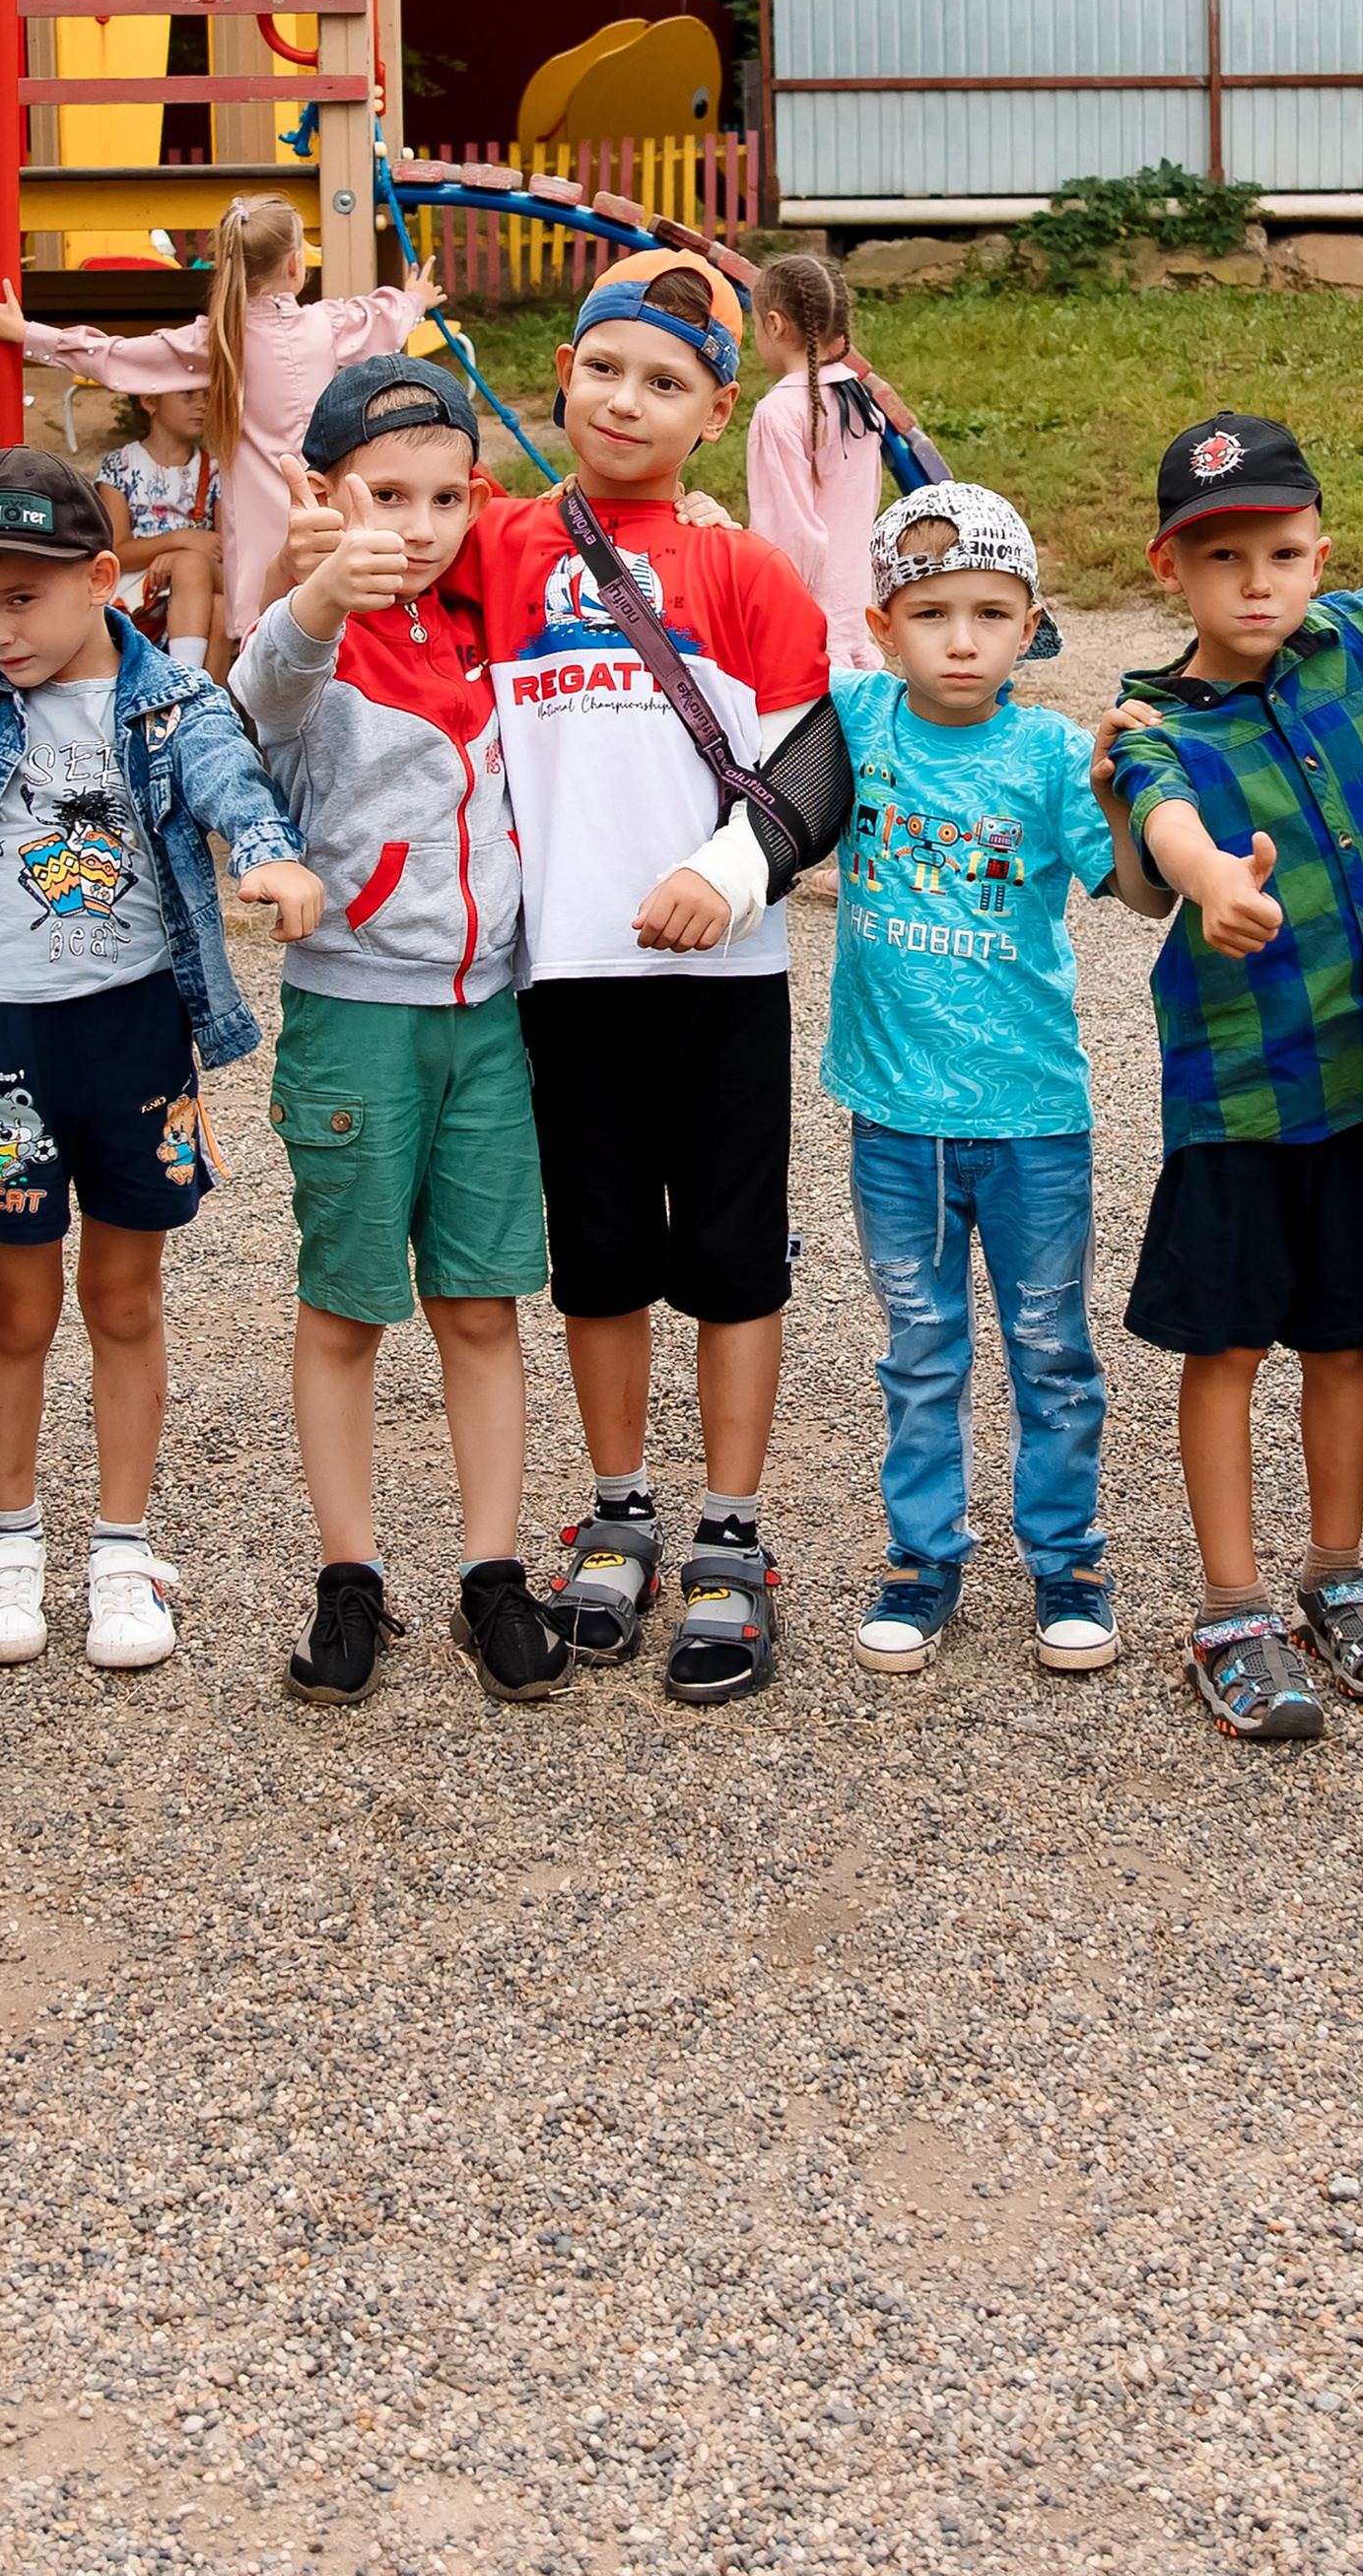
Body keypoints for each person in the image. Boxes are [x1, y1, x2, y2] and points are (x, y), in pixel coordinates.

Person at [465, 263, 843, 1704]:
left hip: (722, 969)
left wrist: (732, 871)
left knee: (738, 1258)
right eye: (607, 370)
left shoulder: (742, 568)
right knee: (603, 1254)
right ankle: (618, 1510)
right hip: (561, 972)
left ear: (715, 410)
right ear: (561, 370)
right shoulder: (492, 547)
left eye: (667, 382)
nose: (629, 402)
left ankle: (732, 1538)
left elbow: (818, 764)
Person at [0, 449, 320, 1670]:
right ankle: (9, 1538)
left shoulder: (167, 700)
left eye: (20, 601)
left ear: (102, 579)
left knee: (125, 1298)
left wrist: (266, 851)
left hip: (133, 1031)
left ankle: (122, 1548)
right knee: (18, 1301)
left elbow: (228, 777)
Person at [232, 357, 571, 1710]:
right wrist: (316, 581)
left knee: (481, 1304)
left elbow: (580, 532)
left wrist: (702, 521)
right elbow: (263, 688)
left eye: (445, 497)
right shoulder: (313, 637)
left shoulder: (487, 613)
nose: (418, 526)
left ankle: (492, 1569)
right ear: (321, 494)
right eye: (385, 495)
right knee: (347, 1305)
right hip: (355, 1014)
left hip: (488, 1012)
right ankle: (350, 1574)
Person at [1104, 412, 1363, 1743]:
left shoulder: (1346, 647)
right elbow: (1167, 826)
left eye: (1282, 552)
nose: (1257, 582)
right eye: (1223, 555)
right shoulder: (1150, 720)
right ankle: (1232, 1605)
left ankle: (1336, 1574)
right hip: (1241, 1092)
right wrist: (1210, 884)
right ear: (1167, 569)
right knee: (1230, 1340)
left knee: (1345, 1335)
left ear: (1319, 555)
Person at [825, 484, 1133, 1680]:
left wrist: (1131, 793)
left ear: (1031, 623)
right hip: (894, 1120)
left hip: (1032, 1119)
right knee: (918, 1344)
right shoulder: (853, 722)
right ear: (882, 623)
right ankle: (922, 1562)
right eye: (932, 612)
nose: (962, 640)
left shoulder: (1056, 756)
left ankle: (1068, 1565)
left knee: (1051, 1345)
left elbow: (1137, 890)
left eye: (991, 614)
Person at [0, 192, 441, 637]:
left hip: (260, 509)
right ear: (295, 264)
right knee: (329, 608)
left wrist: (28, 335)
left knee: (265, 614)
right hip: (326, 496)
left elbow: (119, 357)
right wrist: (415, 299)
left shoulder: (218, 338)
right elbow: (383, 317)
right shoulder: (326, 324)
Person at [744, 250, 887, 674]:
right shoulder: (860, 400)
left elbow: (787, 532)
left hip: (805, 620)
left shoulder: (778, 413)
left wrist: (765, 613)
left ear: (773, 324)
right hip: (854, 607)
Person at [94, 384, 224, 670]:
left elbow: (224, 548)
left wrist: (181, 558)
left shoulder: (215, 470)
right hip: (138, 587)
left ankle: (196, 694)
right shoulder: (120, 467)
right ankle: (192, 686)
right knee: (218, 608)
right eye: (187, 394)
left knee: (199, 575)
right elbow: (117, 551)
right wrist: (180, 540)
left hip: (202, 575)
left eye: (206, 395)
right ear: (150, 401)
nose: (201, 404)